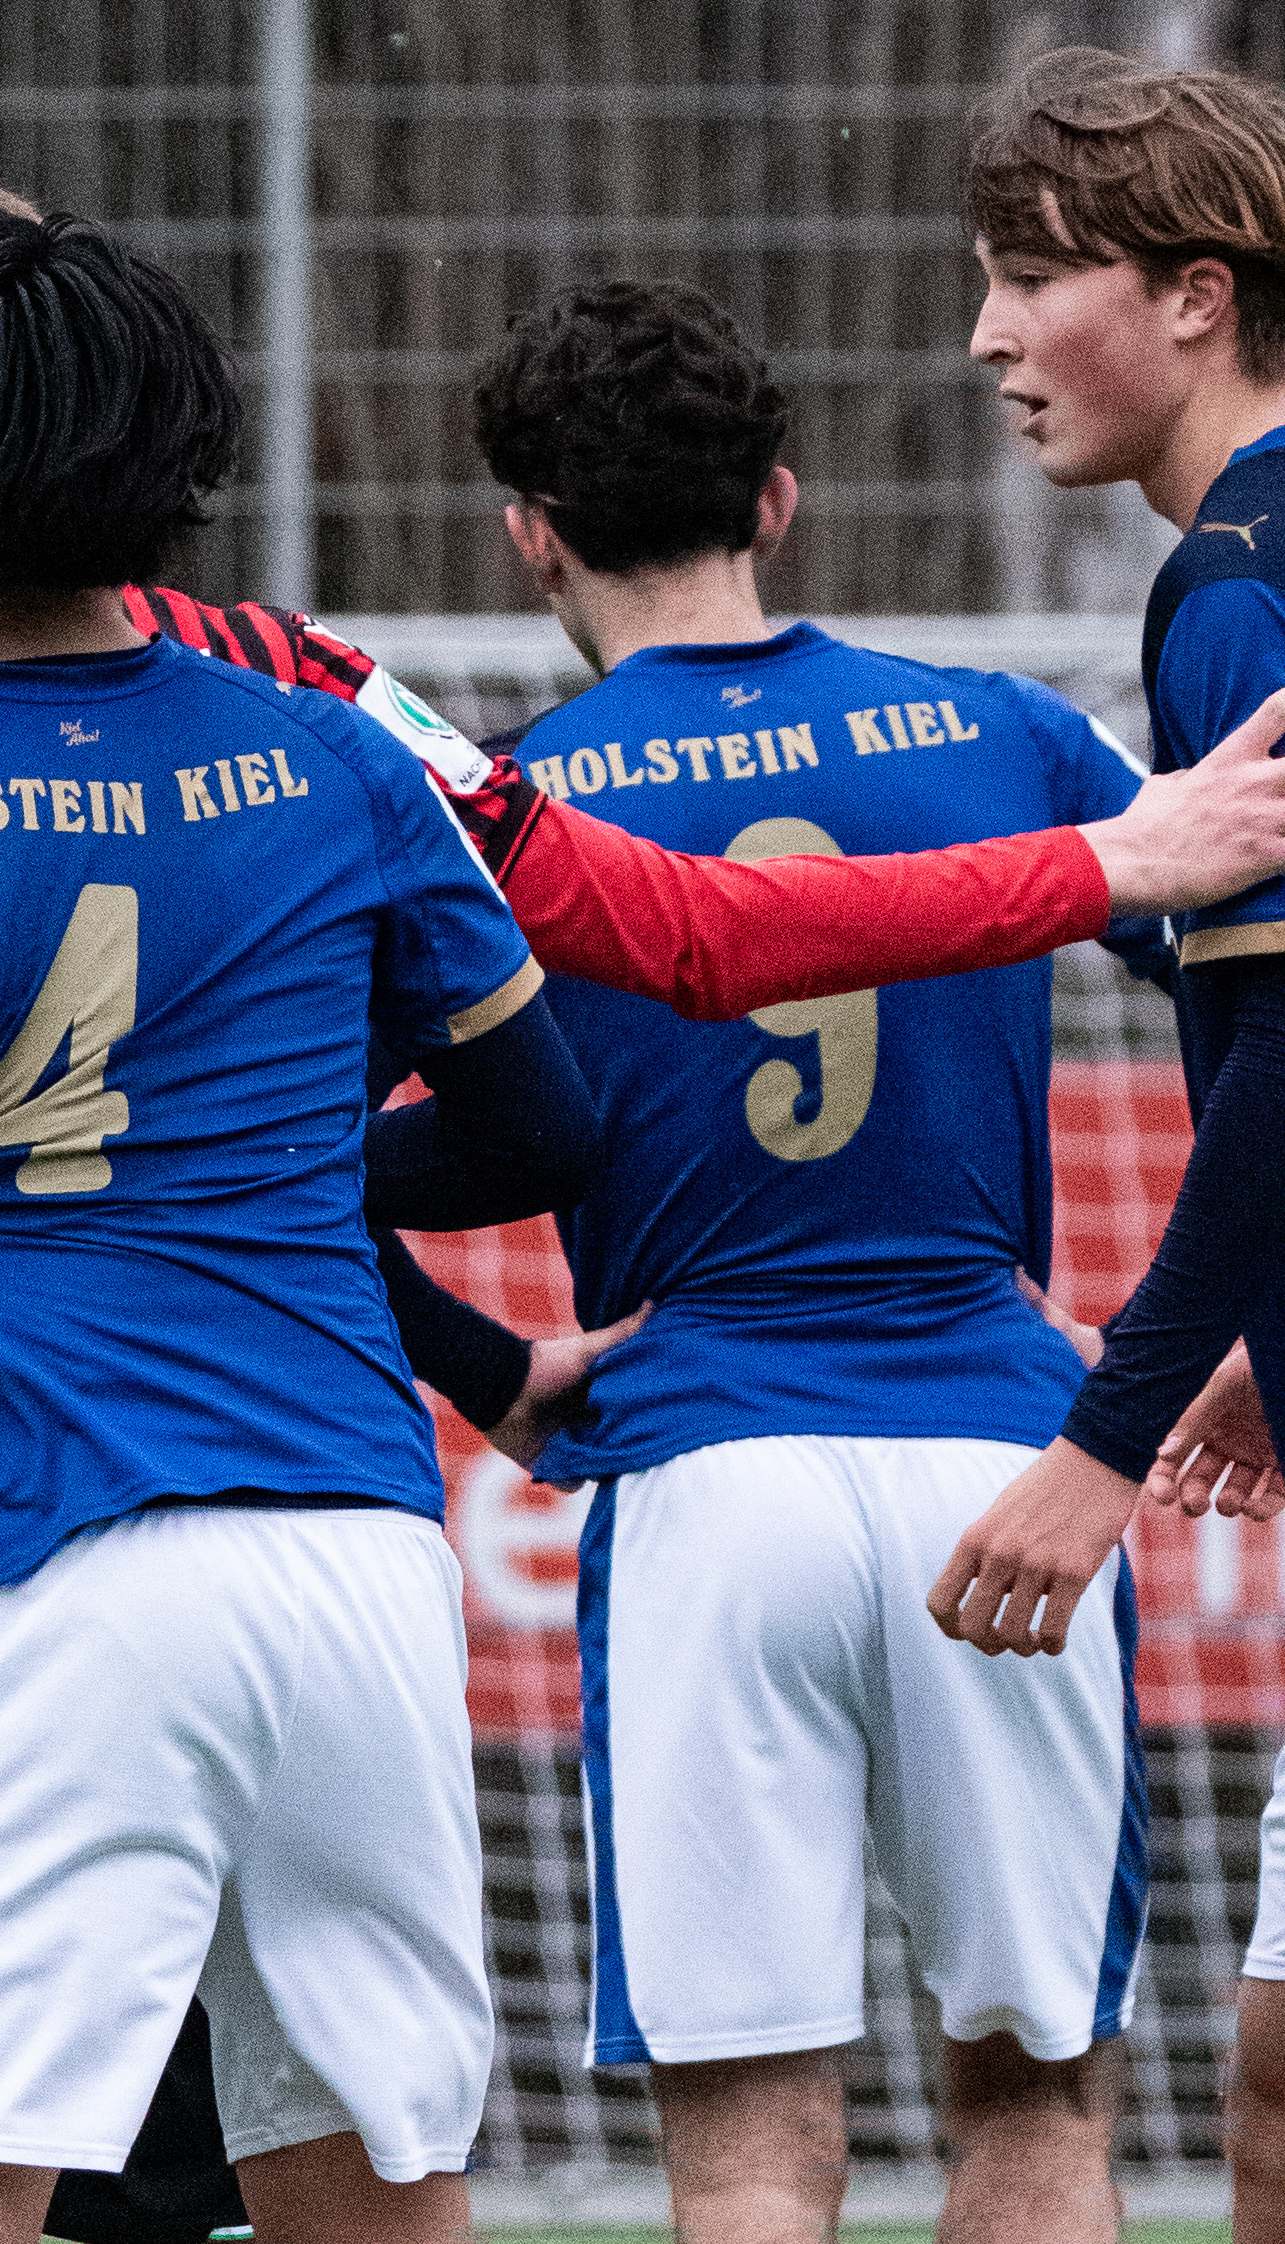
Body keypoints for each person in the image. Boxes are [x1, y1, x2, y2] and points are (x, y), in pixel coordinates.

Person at [0, 153, 1285, 2244]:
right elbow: (677, 939)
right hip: (341, 1541)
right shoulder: (317, 707)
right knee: (350, 2188)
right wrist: (1104, 860)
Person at [0, 206, 595, 2244]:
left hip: (51, 1566)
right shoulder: (338, 760)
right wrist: (249, 1180)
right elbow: (544, 1123)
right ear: (175, 454)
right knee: (373, 2192)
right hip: (359, 1559)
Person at [451, 279, 1155, 2244]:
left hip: (707, 1473)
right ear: (776, 496)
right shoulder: (1003, 733)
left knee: (749, 2143)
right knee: (1038, 2110)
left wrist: (473, 1350)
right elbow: (1234, 988)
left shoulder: (512, 804)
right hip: (1002, 1468)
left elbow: (342, 1146)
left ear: (530, 533)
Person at [918, 46, 1285, 2244]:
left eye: (1029, 274)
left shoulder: (1234, 587)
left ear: (1192, 295)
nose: (985, 334)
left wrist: (1100, 1437)